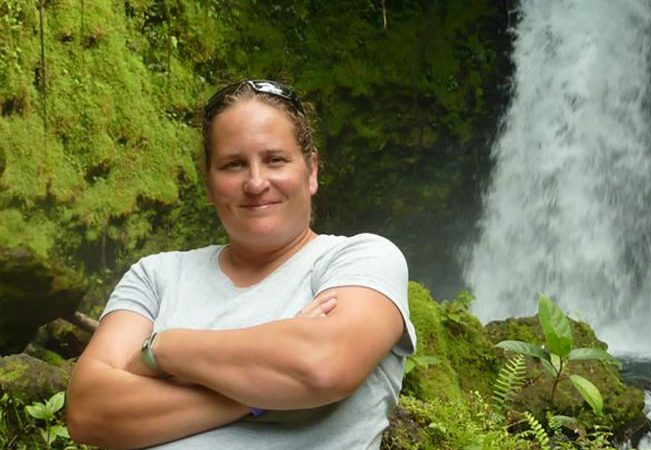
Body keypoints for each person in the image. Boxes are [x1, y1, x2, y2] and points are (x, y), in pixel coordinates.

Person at [66, 79, 416, 449]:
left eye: (275, 159)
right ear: (209, 183)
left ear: (311, 171)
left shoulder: (360, 259)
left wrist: (164, 350)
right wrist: (266, 386)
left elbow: (321, 366)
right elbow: (89, 411)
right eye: (233, 165)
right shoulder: (155, 276)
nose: (255, 182)